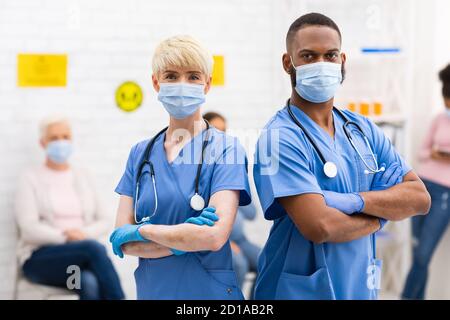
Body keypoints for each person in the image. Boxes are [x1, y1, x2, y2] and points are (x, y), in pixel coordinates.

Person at [252, 13, 431, 300]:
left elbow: (419, 198)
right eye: (309, 56)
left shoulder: (361, 129)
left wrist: (354, 201)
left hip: (358, 285)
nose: (321, 65)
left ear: (342, 61)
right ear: (289, 63)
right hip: (297, 290)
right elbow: (320, 226)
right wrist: (378, 219)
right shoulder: (280, 137)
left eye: (330, 55)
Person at [110, 35, 251, 300]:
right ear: (156, 82)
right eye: (172, 76)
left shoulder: (227, 150)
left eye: (193, 76)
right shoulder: (141, 154)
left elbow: (213, 237)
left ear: (207, 84)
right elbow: (123, 240)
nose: (182, 84)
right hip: (153, 292)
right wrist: (185, 236)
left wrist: (143, 231)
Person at [15, 116, 124, 300]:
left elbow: (104, 220)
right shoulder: (30, 177)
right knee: (94, 248)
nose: (61, 142)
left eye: (65, 136)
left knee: (88, 281)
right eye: (54, 138)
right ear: (43, 143)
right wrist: (66, 237)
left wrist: (82, 234)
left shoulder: (83, 175)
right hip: (41, 258)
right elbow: (28, 228)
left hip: (81, 256)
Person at [402, 64, 450, 299]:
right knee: (416, 249)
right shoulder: (439, 119)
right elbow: (421, 152)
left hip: (444, 194)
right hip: (421, 186)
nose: (446, 105)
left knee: (423, 255)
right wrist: (435, 154)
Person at [204, 112, 261, 296]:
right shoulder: (200, 170)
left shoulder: (232, 166)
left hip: (241, 240)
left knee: (268, 261)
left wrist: (234, 189)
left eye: (224, 131)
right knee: (239, 264)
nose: (221, 135)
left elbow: (252, 214)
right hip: (217, 240)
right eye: (215, 130)